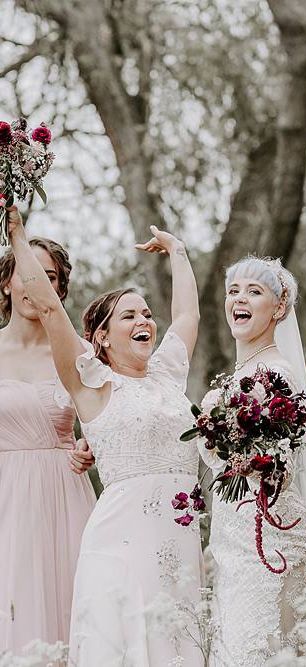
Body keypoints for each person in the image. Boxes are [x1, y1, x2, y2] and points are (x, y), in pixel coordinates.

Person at [7, 207, 204, 666]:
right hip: (120, 540)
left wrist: (178, 252)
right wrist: (17, 237)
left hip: (179, 541)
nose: (144, 321)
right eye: (129, 315)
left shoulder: (168, 374)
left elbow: (188, 314)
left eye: (147, 314)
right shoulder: (91, 384)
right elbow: (51, 307)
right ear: (101, 336)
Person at [201, 256, 306, 666]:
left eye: (253, 291)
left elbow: (284, 462)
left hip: (268, 542)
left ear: (279, 307)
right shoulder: (242, 373)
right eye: (233, 291)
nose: (239, 299)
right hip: (233, 537)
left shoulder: (276, 376)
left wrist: (254, 460)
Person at [0, 233, 96, 654]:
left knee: (71, 603)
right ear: (6, 282)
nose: (35, 283)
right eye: (26, 273)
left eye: (48, 276)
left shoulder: (80, 352)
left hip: (64, 494)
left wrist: (93, 445)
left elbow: (105, 418)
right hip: (6, 496)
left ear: (58, 288)